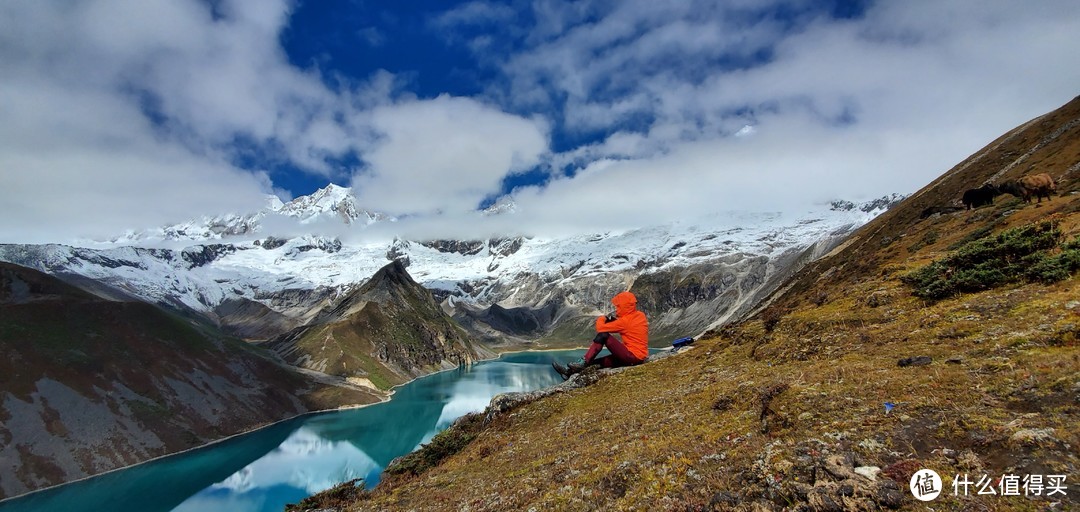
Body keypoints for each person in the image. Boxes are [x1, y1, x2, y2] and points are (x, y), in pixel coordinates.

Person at [552, 291, 648, 379]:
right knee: (596, 363)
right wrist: (615, 321)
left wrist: (602, 318)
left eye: (618, 306)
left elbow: (600, 328)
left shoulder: (625, 322)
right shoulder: (640, 315)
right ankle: (568, 373)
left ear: (624, 306)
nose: (616, 309)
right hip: (636, 356)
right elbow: (629, 327)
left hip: (632, 357)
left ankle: (584, 361)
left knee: (603, 335)